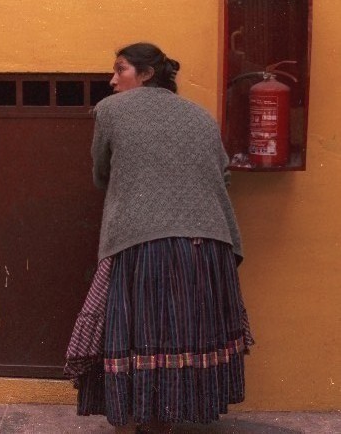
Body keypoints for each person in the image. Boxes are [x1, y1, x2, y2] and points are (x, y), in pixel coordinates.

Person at [64, 43, 253, 433]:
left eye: (121, 70)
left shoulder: (111, 110)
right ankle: (164, 422)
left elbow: (101, 172)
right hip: (208, 245)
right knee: (184, 335)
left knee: (139, 335)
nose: (112, 80)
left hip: (145, 241)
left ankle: (133, 421)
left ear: (147, 74)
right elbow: (224, 175)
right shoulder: (201, 117)